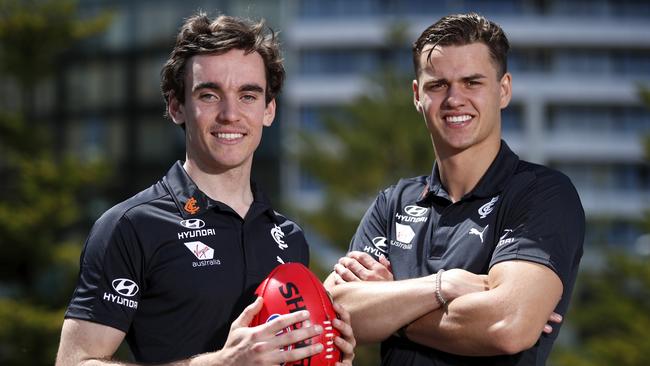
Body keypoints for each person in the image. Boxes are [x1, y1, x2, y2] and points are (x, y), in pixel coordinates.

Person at [55, 12, 355, 366]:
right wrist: (222, 363)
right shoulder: (130, 226)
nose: (230, 114)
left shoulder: (289, 237)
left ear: (269, 110)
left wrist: (326, 355)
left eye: (248, 95)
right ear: (176, 106)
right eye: (210, 95)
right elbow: (74, 361)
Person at [323, 12, 584, 366]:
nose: (454, 99)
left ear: (503, 89)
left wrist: (390, 306)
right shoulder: (392, 203)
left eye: (472, 82)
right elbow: (334, 314)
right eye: (438, 85)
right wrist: (443, 286)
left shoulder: (542, 194)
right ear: (417, 95)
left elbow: (506, 324)